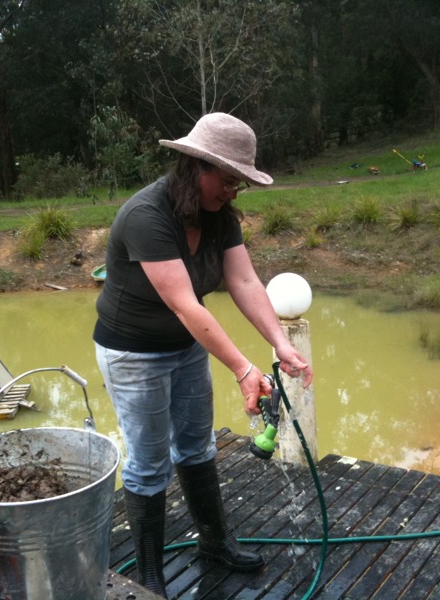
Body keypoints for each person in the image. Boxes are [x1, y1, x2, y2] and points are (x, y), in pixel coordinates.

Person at [93, 112, 313, 598]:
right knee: (149, 461)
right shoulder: (146, 216)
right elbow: (184, 303)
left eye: (241, 184)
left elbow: (244, 281)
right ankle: (149, 573)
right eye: (229, 180)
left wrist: (280, 344)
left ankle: (214, 542)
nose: (234, 192)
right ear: (197, 167)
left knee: (196, 446)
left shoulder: (220, 218)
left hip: (185, 346)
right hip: (131, 352)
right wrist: (241, 368)